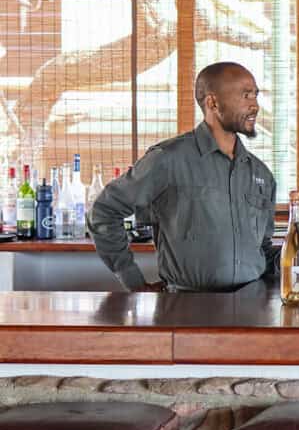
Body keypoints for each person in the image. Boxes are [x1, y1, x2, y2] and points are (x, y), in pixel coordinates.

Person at [89, 61, 279, 292]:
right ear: (213, 102)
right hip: (186, 305)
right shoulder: (167, 159)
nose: (255, 105)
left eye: (255, 96)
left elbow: (262, 249)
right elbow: (104, 212)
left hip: (251, 304)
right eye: (246, 95)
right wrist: (132, 280)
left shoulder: (261, 174)